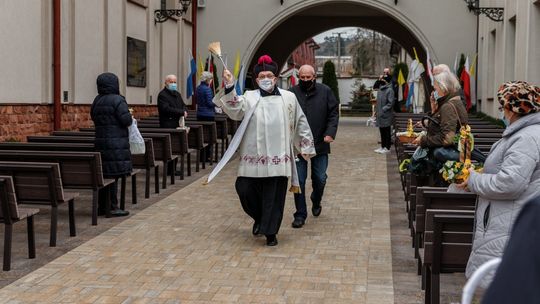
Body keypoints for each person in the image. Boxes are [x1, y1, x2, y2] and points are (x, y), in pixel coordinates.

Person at [212, 55, 316, 246]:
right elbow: (235, 109)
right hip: (253, 156)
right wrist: (229, 86)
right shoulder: (249, 97)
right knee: (244, 189)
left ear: (275, 78)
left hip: (279, 157)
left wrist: (305, 145)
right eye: (262, 76)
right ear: (256, 80)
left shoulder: (289, 97)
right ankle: (259, 217)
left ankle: (270, 233)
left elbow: (300, 120)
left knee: (273, 196)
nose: (266, 78)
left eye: (269, 75)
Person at [457, 81, 540, 287]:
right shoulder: (522, 134)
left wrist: (473, 179)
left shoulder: (526, 138)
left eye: (502, 106)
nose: (501, 112)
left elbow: (509, 183)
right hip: (506, 220)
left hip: (508, 223)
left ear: (512, 109)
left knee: (504, 286)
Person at [289, 64, 339, 228]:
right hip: (298, 145)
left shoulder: (325, 91)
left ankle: (316, 199)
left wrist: (330, 132)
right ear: (298, 76)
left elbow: (333, 113)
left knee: (320, 178)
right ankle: (300, 214)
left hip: (320, 142)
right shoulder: (291, 93)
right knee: (299, 180)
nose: (304, 80)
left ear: (314, 77)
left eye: (307, 78)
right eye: (302, 77)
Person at [90, 72, 132, 217]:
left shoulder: (97, 100)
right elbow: (126, 120)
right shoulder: (118, 100)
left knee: (104, 173)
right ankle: (112, 207)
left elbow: (93, 117)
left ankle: (102, 206)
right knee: (113, 174)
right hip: (116, 142)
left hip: (101, 141)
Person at [411, 71, 467, 161]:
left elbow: (447, 138)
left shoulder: (448, 106)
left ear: (443, 88)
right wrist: (434, 108)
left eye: (435, 89)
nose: (434, 92)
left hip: (445, 161)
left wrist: (423, 140)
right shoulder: (452, 102)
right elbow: (438, 124)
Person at [374, 69, 395, 154]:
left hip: (386, 114)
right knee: (381, 131)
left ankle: (387, 147)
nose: (381, 81)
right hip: (380, 114)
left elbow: (390, 103)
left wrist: (383, 109)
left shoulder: (389, 90)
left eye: (383, 80)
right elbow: (375, 86)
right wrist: (377, 111)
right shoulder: (380, 89)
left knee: (386, 131)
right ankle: (382, 146)